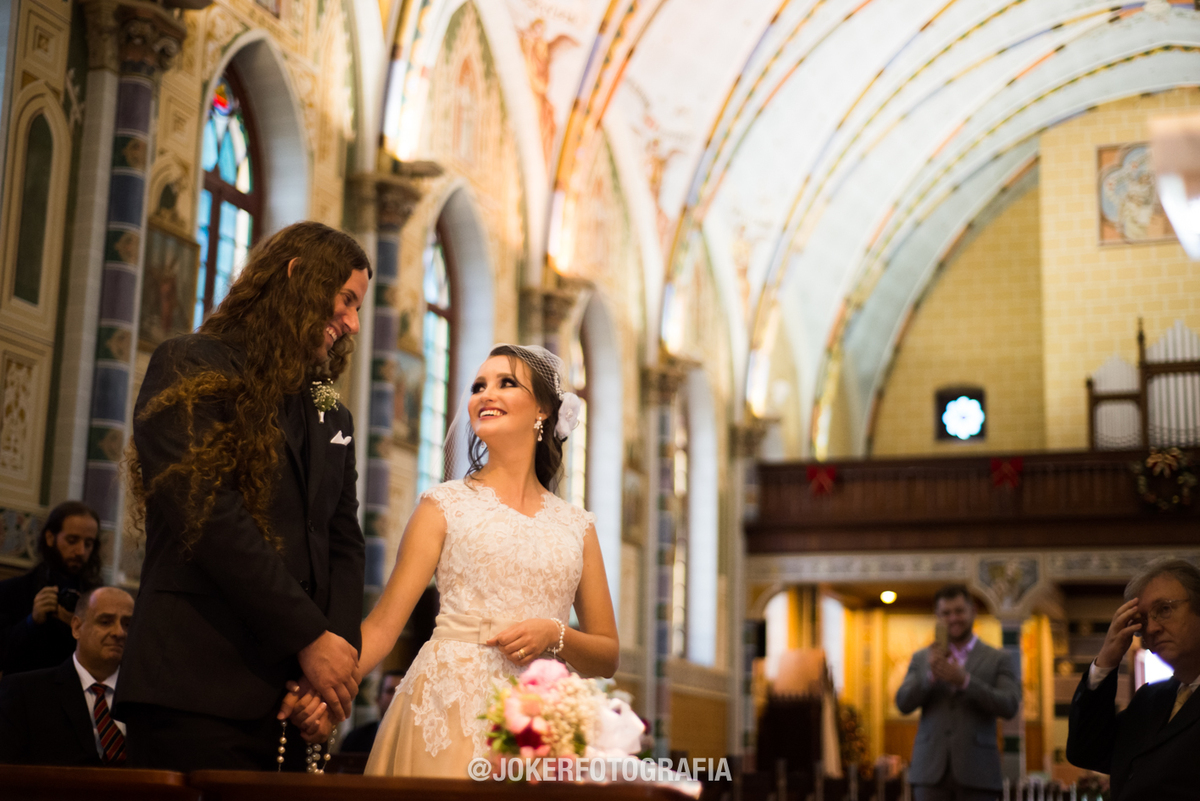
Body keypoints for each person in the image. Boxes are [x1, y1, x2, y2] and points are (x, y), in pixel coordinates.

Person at [116, 221, 370, 771]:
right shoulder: (190, 361)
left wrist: (333, 670)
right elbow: (211, 517)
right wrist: (310, 639)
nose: (352, 322)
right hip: (195, 687)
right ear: (298, 275)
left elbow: (344, 540)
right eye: (347, 300)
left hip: (296, 701)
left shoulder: (329, 405)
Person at [324, 344, 618, 777]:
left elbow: (607, 655)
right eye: (479, 386)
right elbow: (384, 627)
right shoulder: (442, 506)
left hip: (538, 718)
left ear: (542, 410)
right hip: (446, 708)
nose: (486, 394)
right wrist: (325, 691)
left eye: (506, 383)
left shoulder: (577, 526)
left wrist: (554, 634)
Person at [1066, 558, 1200, 801]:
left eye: (1164, 609)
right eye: (1143, 621)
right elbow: (1086, 751)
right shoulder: (1150, 698)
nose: (1152, 628)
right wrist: (1105, 662)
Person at [895, 585, 1020, 801]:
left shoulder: (998, 658)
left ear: (973, 611)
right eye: (946, 613)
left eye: (959, 611)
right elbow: (903, 703)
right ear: (937, 616)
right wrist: (930, 678)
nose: (953, 618)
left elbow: (1009, 705)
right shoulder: (922, 658)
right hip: (929, 773)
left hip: (978, 772)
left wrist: (965, 682)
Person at [0, 586, 134, 766]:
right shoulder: (24, 692)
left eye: (128, 625)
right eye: (105, 622)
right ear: (77, 627)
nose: (119, 632)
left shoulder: (144, 698)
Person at [0, 501, 102, 676]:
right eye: (72, 540)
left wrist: (80, 629)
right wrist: (31, 622)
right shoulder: (13, 591)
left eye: (88, 543)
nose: (80, 551)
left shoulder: (98, 599)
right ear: (49, 538)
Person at [339, 670, 404, 753]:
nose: (396, 696)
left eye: (402, 691)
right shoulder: (355, 739)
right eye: (390, 691)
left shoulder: (417, 737)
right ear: (378, 699)